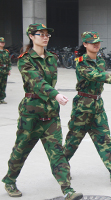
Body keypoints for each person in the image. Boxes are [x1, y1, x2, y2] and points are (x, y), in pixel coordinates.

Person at [2, 23, 82, 200]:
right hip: (31, 113)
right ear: (31, 36)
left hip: (51, 114)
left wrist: (54, 97)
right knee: (21, 149)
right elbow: (36, 82)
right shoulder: (24, 59)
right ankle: (10, 180)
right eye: (41, 34)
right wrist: (55, 95)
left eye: (47, 35)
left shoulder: (52, 58)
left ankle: (67, 188)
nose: (45, 37)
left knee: (57, 152)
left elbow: (49, 82)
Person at [63, 31, 111, 185]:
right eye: (92, 42)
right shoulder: (81, 62)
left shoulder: (100, 60)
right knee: (72, 141)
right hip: (83, 105)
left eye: (98, 42)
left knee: (105, 140)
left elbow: (102, 73)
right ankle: (60, 167)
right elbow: (97, 76)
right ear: (85, 44)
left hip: (97, 105)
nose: (96, 45)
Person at [0, 37, 11, 104]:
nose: (2, 43)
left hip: (5, 71)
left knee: (3, 85)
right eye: (1, 42)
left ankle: (2, 98)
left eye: (3, 42)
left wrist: (9, 70)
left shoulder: (6, 52)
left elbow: (9, 62)